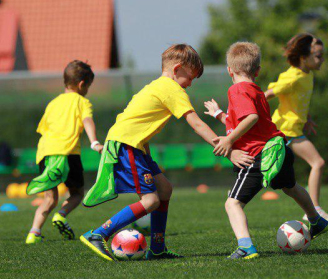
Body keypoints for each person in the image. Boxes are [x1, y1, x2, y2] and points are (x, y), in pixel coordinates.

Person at [79, 44, 253, 261]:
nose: (190, 84)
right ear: (177, 68)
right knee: (151, 201)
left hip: (134, 145)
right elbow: (196, 124)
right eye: (190, 77)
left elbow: (137, 123)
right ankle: (98, 234)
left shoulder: (156, 86)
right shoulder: (172, 89)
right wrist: (228, 151)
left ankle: (158, 248)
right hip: (127, 145)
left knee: (165, 189)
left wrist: (147, 157)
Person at [205, 42, 328, 260]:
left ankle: (245, 246)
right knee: (291, 187)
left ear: (230, 70)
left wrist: (228, 140)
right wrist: (219, 113)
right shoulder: (255, 90)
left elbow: (251, 118)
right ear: (258, 71)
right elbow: (242, 120)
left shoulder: (236, 89)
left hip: (258, 157)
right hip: (279, 149)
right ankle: (316, 220)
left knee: (232, 203)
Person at [24, 60, 103, 244]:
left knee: (49, 198)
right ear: (82, 84)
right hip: (68, 153)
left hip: (45, 153)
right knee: (77, 193)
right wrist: (94, 143)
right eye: (88, 86)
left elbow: (44, 129)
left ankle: (33, 233)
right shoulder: (82, 101)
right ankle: (61, 215)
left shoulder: (52, 103)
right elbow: (87, 121)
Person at [265, 34, 328, 223]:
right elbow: (266, 95)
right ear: (304, 57)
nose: (322, 59)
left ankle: (313, 209)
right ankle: (314, 210)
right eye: (318, 55)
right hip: (285, 130)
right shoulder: (293, 78)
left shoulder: (308, 75)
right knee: (318, 163)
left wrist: (307, 118)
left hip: (293, 129)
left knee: (275, 175)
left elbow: (298, 102)